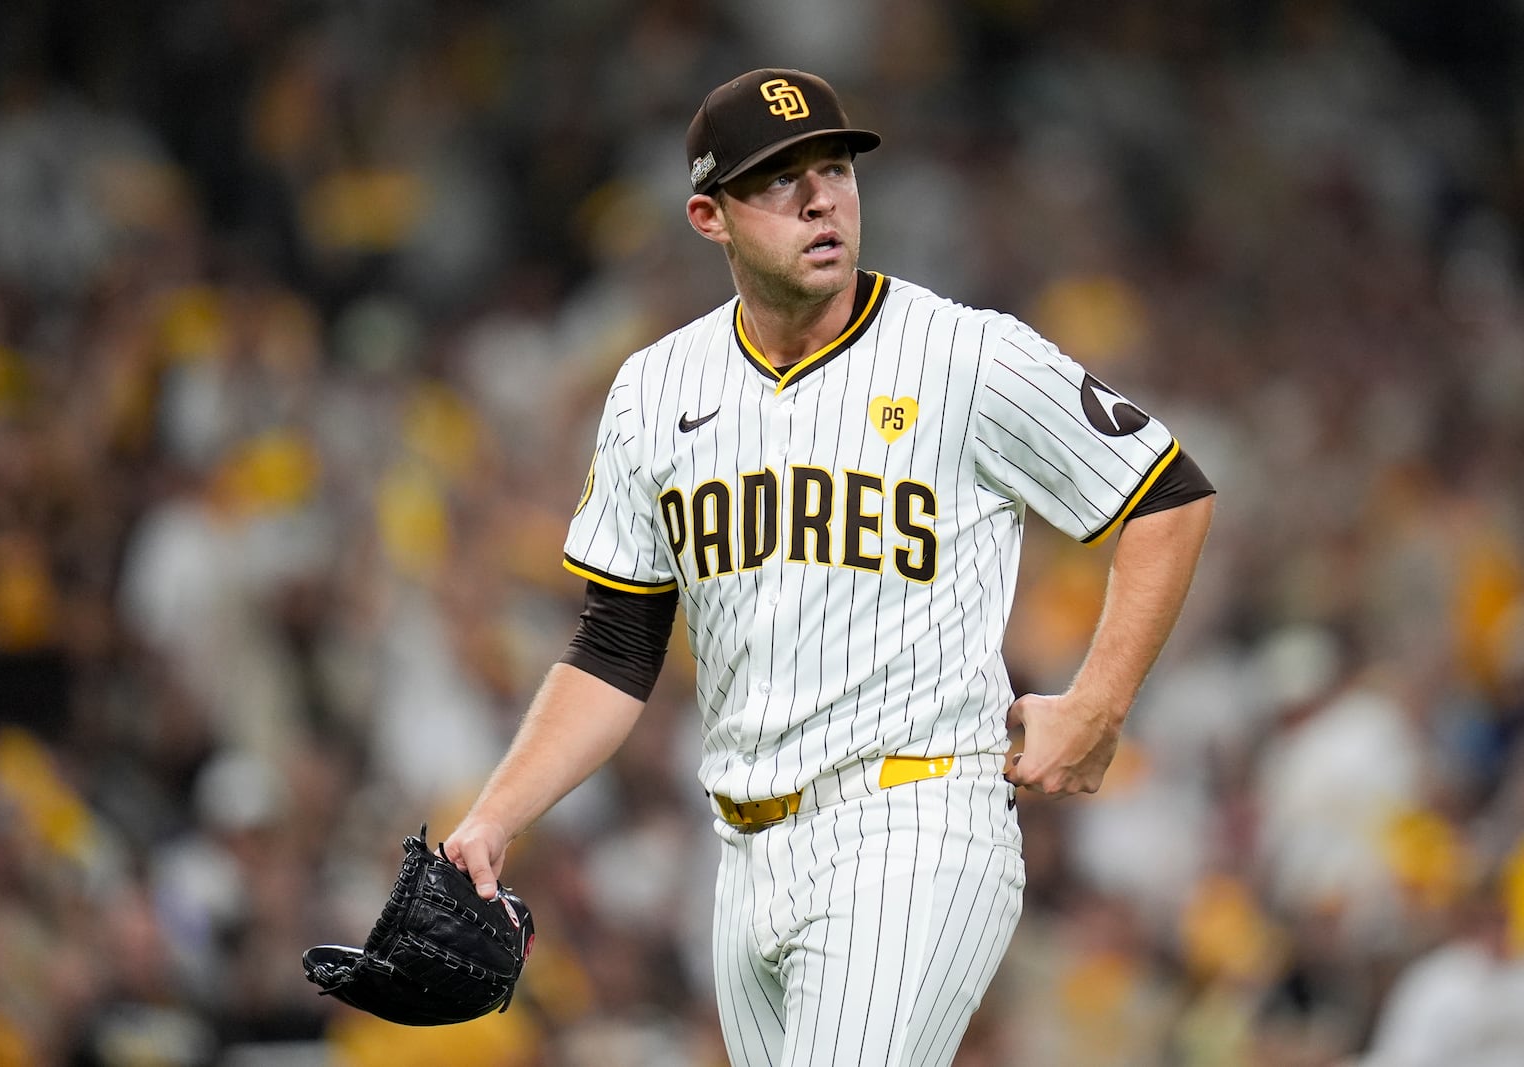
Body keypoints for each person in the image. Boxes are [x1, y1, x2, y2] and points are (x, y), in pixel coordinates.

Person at [443, 67, 1215, 1066]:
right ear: (707, 216)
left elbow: (1165, 490)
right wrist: (495, 817)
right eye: (776, 181)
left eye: (834, 169)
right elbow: (614, 647)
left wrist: (1100, 703)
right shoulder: (654, 389)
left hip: (913, 816)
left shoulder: (961, 354)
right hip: (742, 853)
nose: (819, 198)